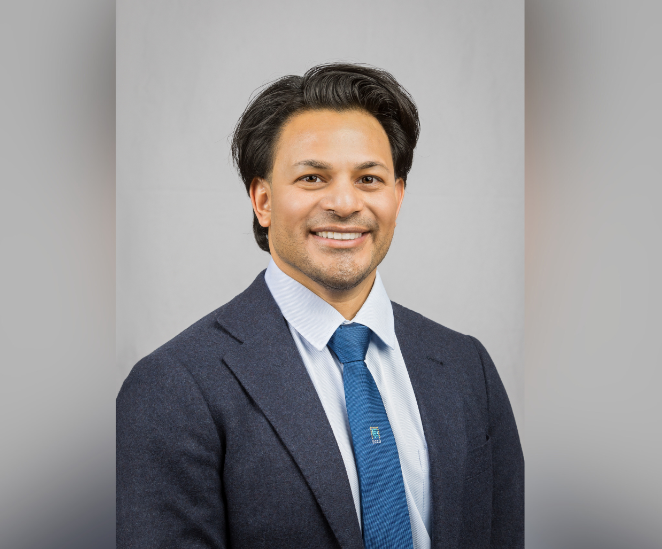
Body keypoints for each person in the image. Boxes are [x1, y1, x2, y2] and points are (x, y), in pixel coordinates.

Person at [117, 63, 524, 548]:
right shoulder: (173, 387)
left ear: (398, 195)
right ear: (262, 200)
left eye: (369, 179)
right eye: (313, 177)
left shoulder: (466, 368)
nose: (346, 203)